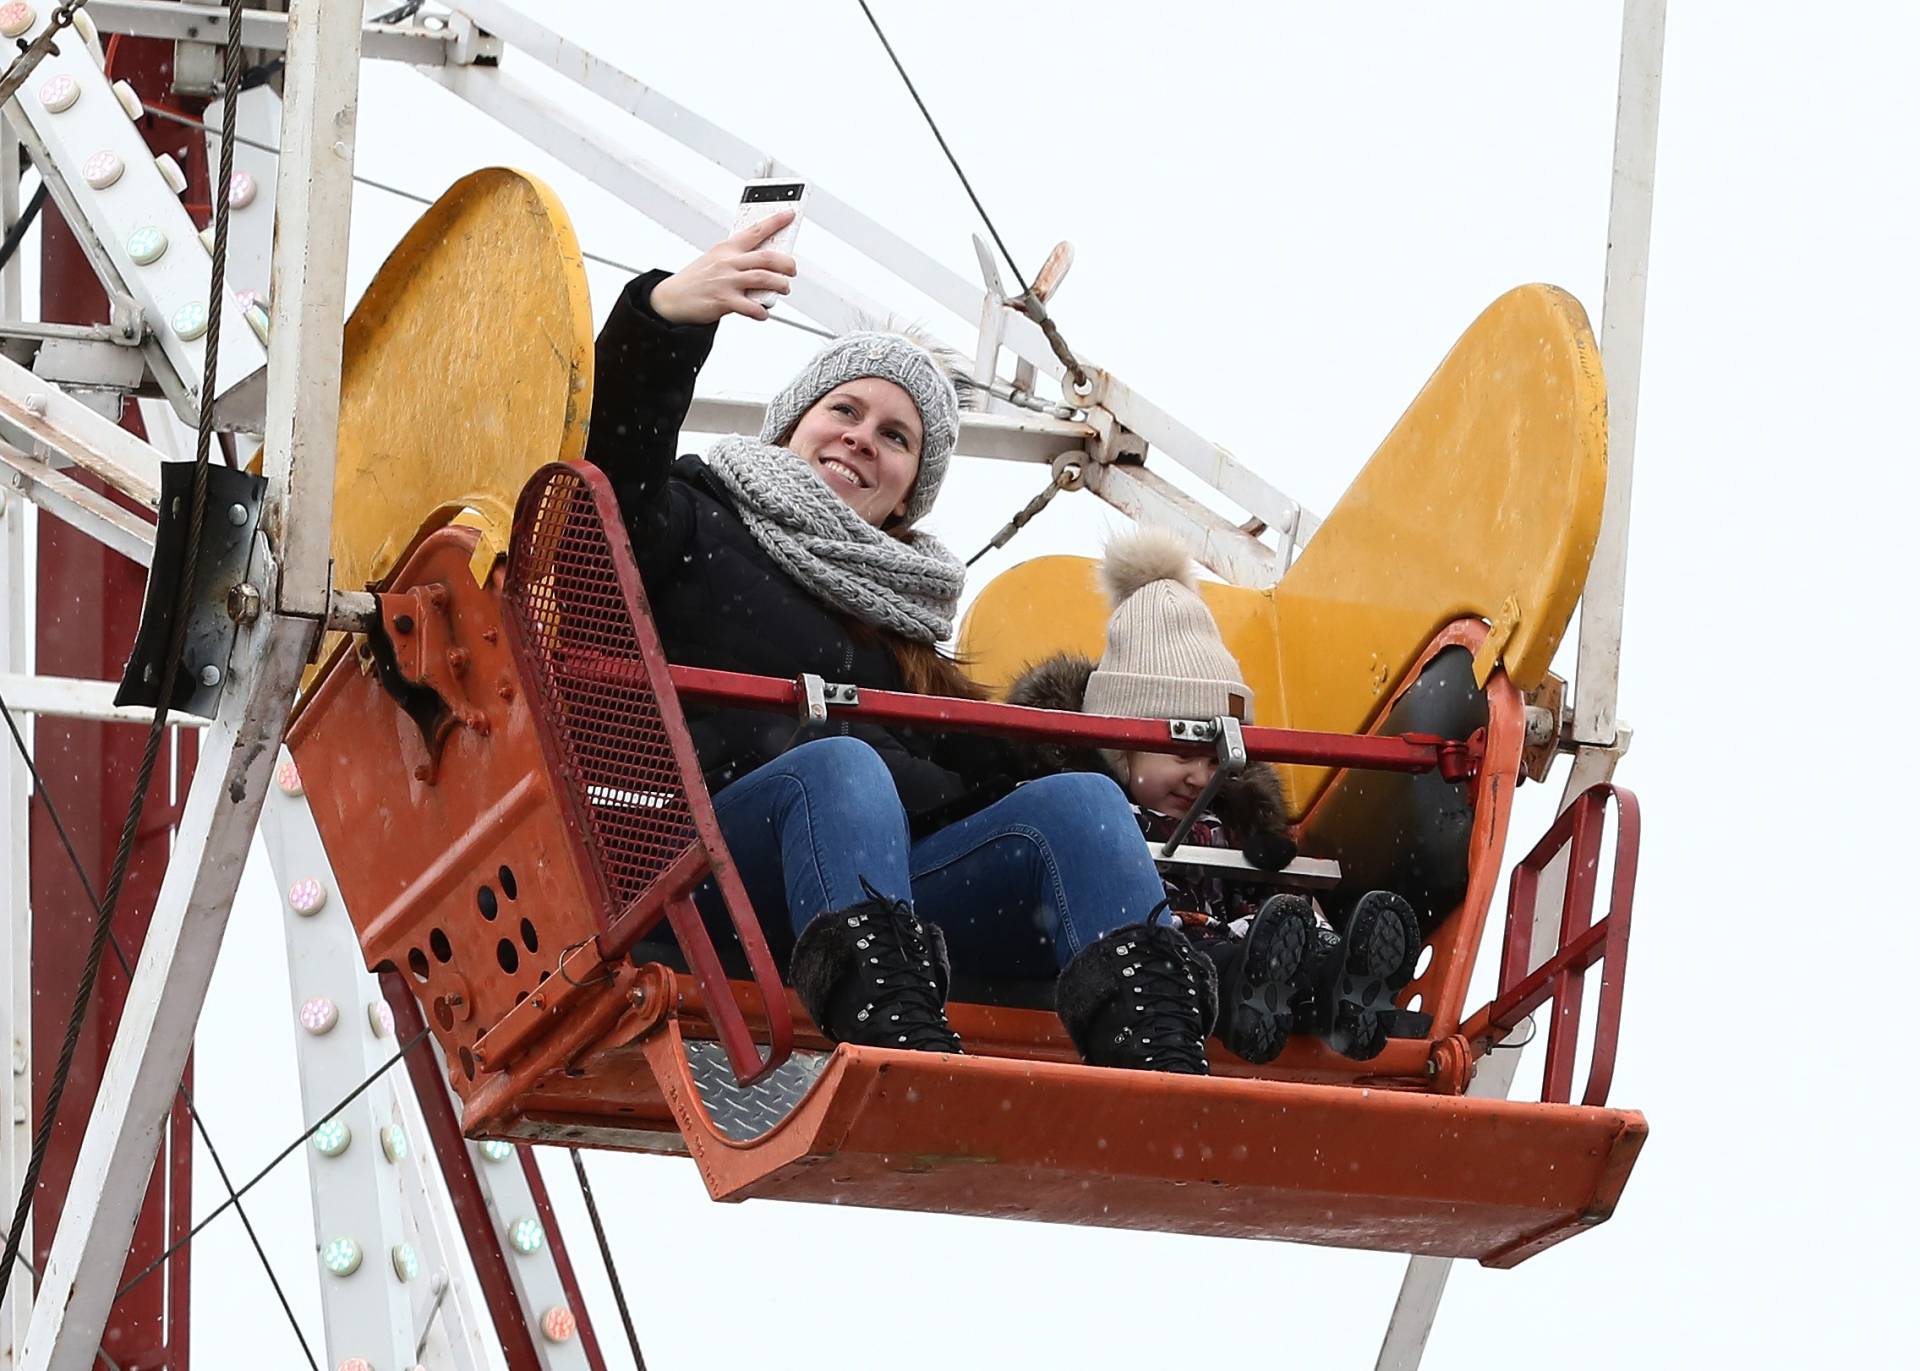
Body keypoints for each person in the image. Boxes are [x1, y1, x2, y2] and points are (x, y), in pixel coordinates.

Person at [586, 213, 1222, 1074]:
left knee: (1078, 804)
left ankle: (1163, 1045)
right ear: (792, 423)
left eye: (896, 436)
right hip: (712, 875)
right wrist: (664, 320)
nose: (862, 437)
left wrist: (1136, 764)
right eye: (844, 409)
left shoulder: (906, 636)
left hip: (882, 904)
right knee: (840, 766)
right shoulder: (690, 520)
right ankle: (887, 1033)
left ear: (907, 497)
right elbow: (614, 469)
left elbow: (996, 768)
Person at [1003, 528, 1424, 1061]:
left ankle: (1340, 982)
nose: (1201, 777)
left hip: (1244, 934)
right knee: (1215, 955)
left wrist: (1271, 873)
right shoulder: (1092, 819)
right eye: (1182, 753)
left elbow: (1255, 902)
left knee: (1287, 920)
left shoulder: (1226, 821)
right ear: (1119, 745)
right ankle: (1257, 989)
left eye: (1214, 759)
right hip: (1170, 950)